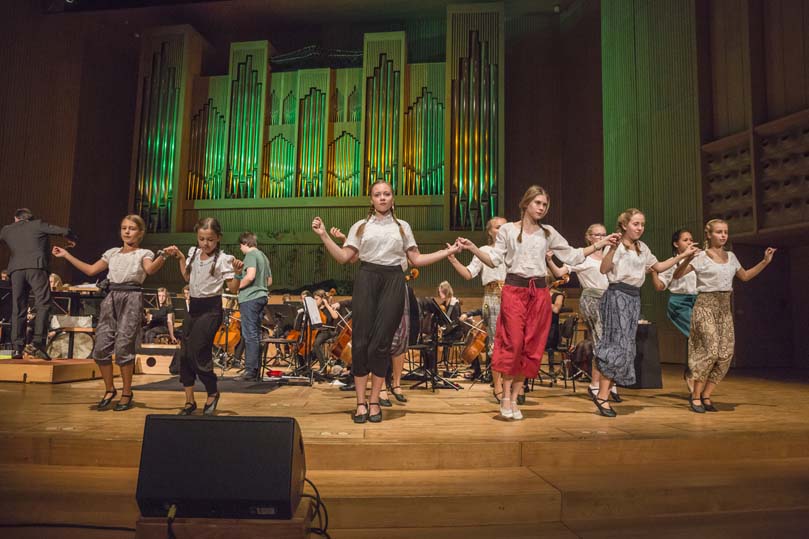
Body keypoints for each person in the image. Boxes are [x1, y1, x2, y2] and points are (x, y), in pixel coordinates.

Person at [460, 186, 620, 421]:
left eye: (545, 204)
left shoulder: (548, 233)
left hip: (539, 292)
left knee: (531, 346)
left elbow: (573, 255)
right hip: (514, 290)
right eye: (538, 203)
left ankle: (515, 397)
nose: (542, 208)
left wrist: (600, 243)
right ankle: (505, 396)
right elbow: (493, 260)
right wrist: (473, 248)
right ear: (526, 203)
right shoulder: (508, 230)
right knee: (513, 343)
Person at [312, 179, 462, 423]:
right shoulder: (360, 226)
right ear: (371, 200)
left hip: (393, 280)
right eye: (377, 194)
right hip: (367, 278)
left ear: (393, 199)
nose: (382, 197)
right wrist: (324, 236)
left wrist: (448, 252)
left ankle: (374, 401)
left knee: (382, 344)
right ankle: (360, 403)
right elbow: (344, 257)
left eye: (387, 194)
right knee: (360, 342)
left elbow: (416, 259)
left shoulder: (403, 227)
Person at [52, 215, 169, 411]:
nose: (127, 231)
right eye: (124, 228)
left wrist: (163, 256)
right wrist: (66, 255)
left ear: (140, 233)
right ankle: (109, 389)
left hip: (131, 297)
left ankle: (127, 392)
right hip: (111, 297)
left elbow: (150, 269)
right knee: (100, 348)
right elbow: (91, 270)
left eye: (132, 228)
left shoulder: (144, 253)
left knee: (124, 347)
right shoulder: (112, 253)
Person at [593, 209, 699, 417]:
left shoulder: (642, 247)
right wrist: (612, 249)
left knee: (627, 348)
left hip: (634, 297)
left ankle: (604, 393)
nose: (640, 228)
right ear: (624, 225)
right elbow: (604, 269)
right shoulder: (616, 245)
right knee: (617, 346)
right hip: (617, 295)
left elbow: (658, 266)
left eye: (642, 224)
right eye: (636, 224)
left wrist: (684, 256)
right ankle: (602, 395)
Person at [673, 219, 775, 413]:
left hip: (724, 308)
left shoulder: (731, 256)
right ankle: (695, 395)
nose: (723, 235)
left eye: (725, 232)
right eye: (719, 232)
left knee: (725, 353)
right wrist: (687, 257)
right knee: (710, 351)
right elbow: (677, 275)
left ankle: (707, 395)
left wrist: (765, 262)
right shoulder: (700, 256)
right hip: (705, 306)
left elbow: (745, 276)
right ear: (709, 234)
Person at [165, 218, 242, 415]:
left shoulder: (224, 259)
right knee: (184, 354)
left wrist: (237, 273)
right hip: (194, 308)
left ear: (218, 238)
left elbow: (233, 289)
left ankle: (212, 391)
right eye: (201, 239)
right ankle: (189, 401)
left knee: (198, 352)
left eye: (210, 240)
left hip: (211, 309)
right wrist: (181, 258)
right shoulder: (193, 253)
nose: (205, 243)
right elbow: (187, 278)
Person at [546, 223, 622, 402]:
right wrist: (549, 260)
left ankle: (605, 383)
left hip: (610, 299)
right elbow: (559, 273)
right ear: (589, 237)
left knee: (610, 342)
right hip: (592, 299)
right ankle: (598, 384)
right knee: (601, 341)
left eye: (603, 234)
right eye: (597, 235)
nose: (601, 237)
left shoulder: (610, 253)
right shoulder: (583, 256)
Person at [0, 208, 77, 359]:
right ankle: (37, 344)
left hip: (16, 271)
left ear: (16, 218)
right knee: (43, 304)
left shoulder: (7, 229)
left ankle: (17, 348)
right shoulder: (37, 224)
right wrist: (71, 239)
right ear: (29, 218)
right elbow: (64, 230)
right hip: (36, 268)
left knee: (18, 307)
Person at [448, 216, 507, 398]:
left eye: (505, 227)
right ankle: (498, 386)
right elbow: (469, 273)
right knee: (495, 342)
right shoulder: (484, 251)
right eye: (498, 227)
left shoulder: (513, 250)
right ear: (490, 231)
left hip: (514, 297)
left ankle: (513, 386)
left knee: (514, 342)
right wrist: (453, 259)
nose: (502, 230)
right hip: (493, 297)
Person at [650, 229, 698, 393]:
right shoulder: (671, 263)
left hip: (697, 301)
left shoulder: (698, 259)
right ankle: (691, 373)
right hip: (679, 303)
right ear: (676, 244)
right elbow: (660, 287)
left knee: (699, 338)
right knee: (696, 335)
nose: (690, 242)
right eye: (685, 240)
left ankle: (693, 372)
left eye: (691, 239)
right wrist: (654, 272)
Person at [233, 231, 272, 381]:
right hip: (261, 297)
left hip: (250, 298)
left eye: (240, 246)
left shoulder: (250, 255)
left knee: (249, 334)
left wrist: (236, 287)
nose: (240, 249)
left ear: (245, 243)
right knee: (255, 334)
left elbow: (250, 276)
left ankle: (250, 370)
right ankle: (255, 369)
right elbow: (269, 281)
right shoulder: (263, 256)